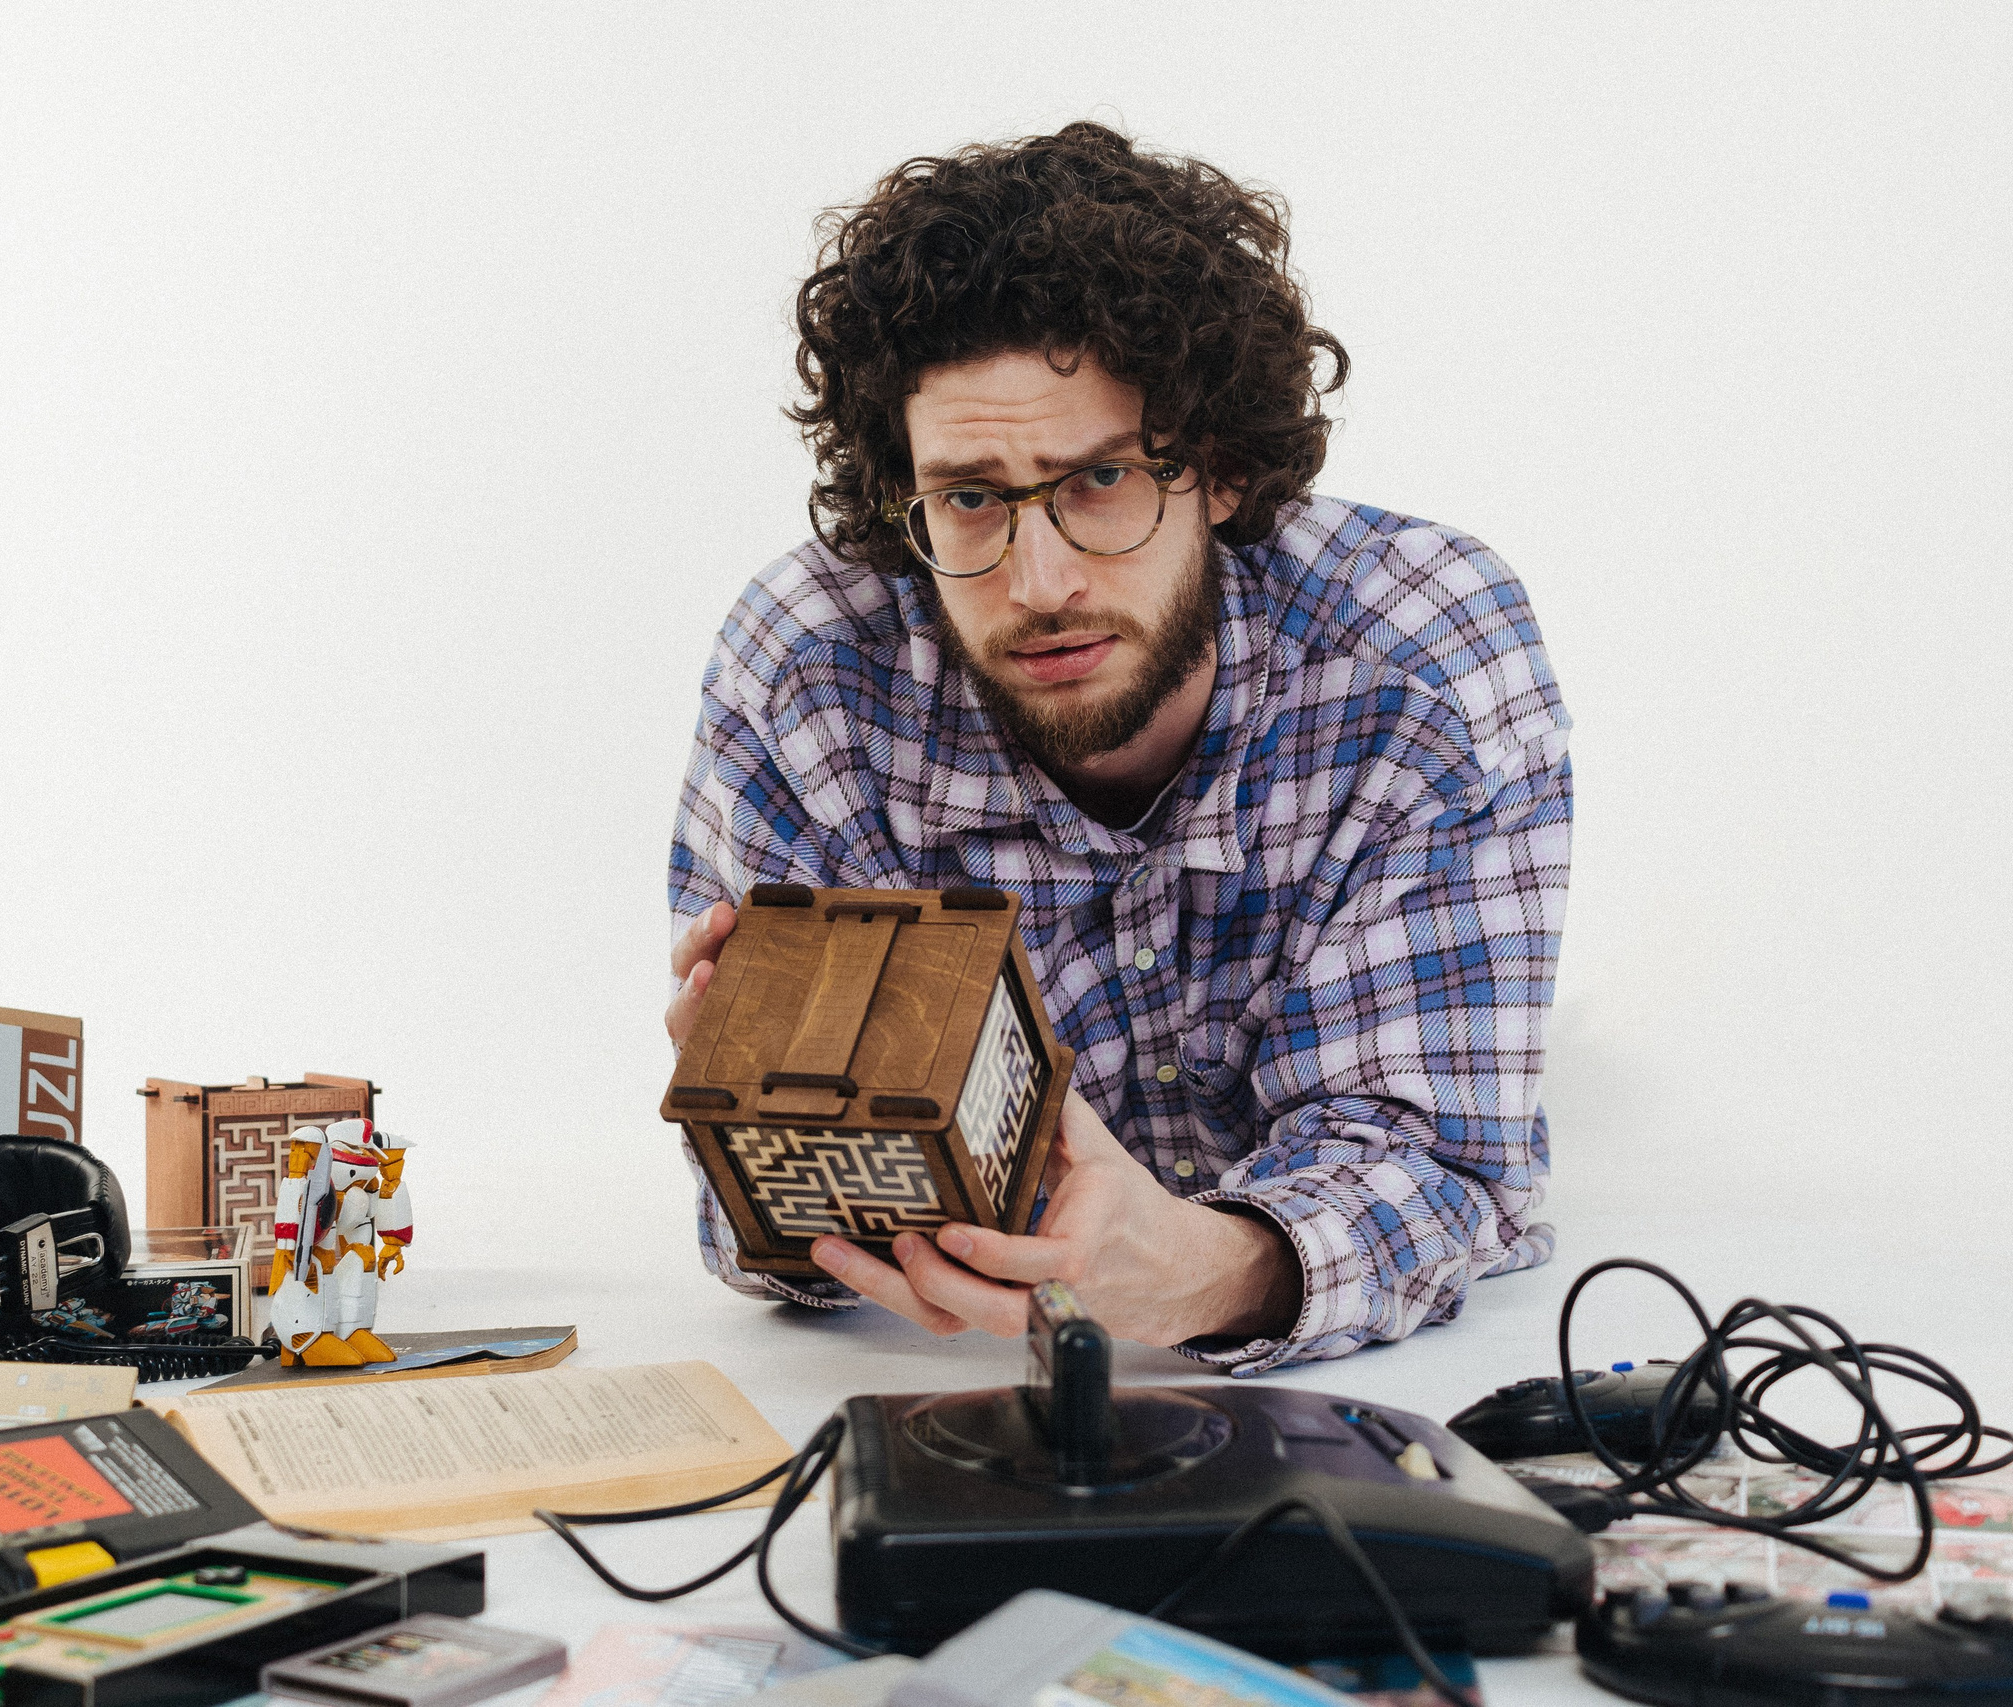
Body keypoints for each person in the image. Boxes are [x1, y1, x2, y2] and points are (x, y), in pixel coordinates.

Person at [665, 123, 1571, 1374]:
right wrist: (772, 1123)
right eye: (969, 497)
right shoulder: (812, 670)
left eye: (1097, 481)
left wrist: (1215, 1269)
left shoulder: (1413, 651)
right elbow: (756, 1247)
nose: (1038, 584)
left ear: (1224, 472)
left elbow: (1443, 1168)